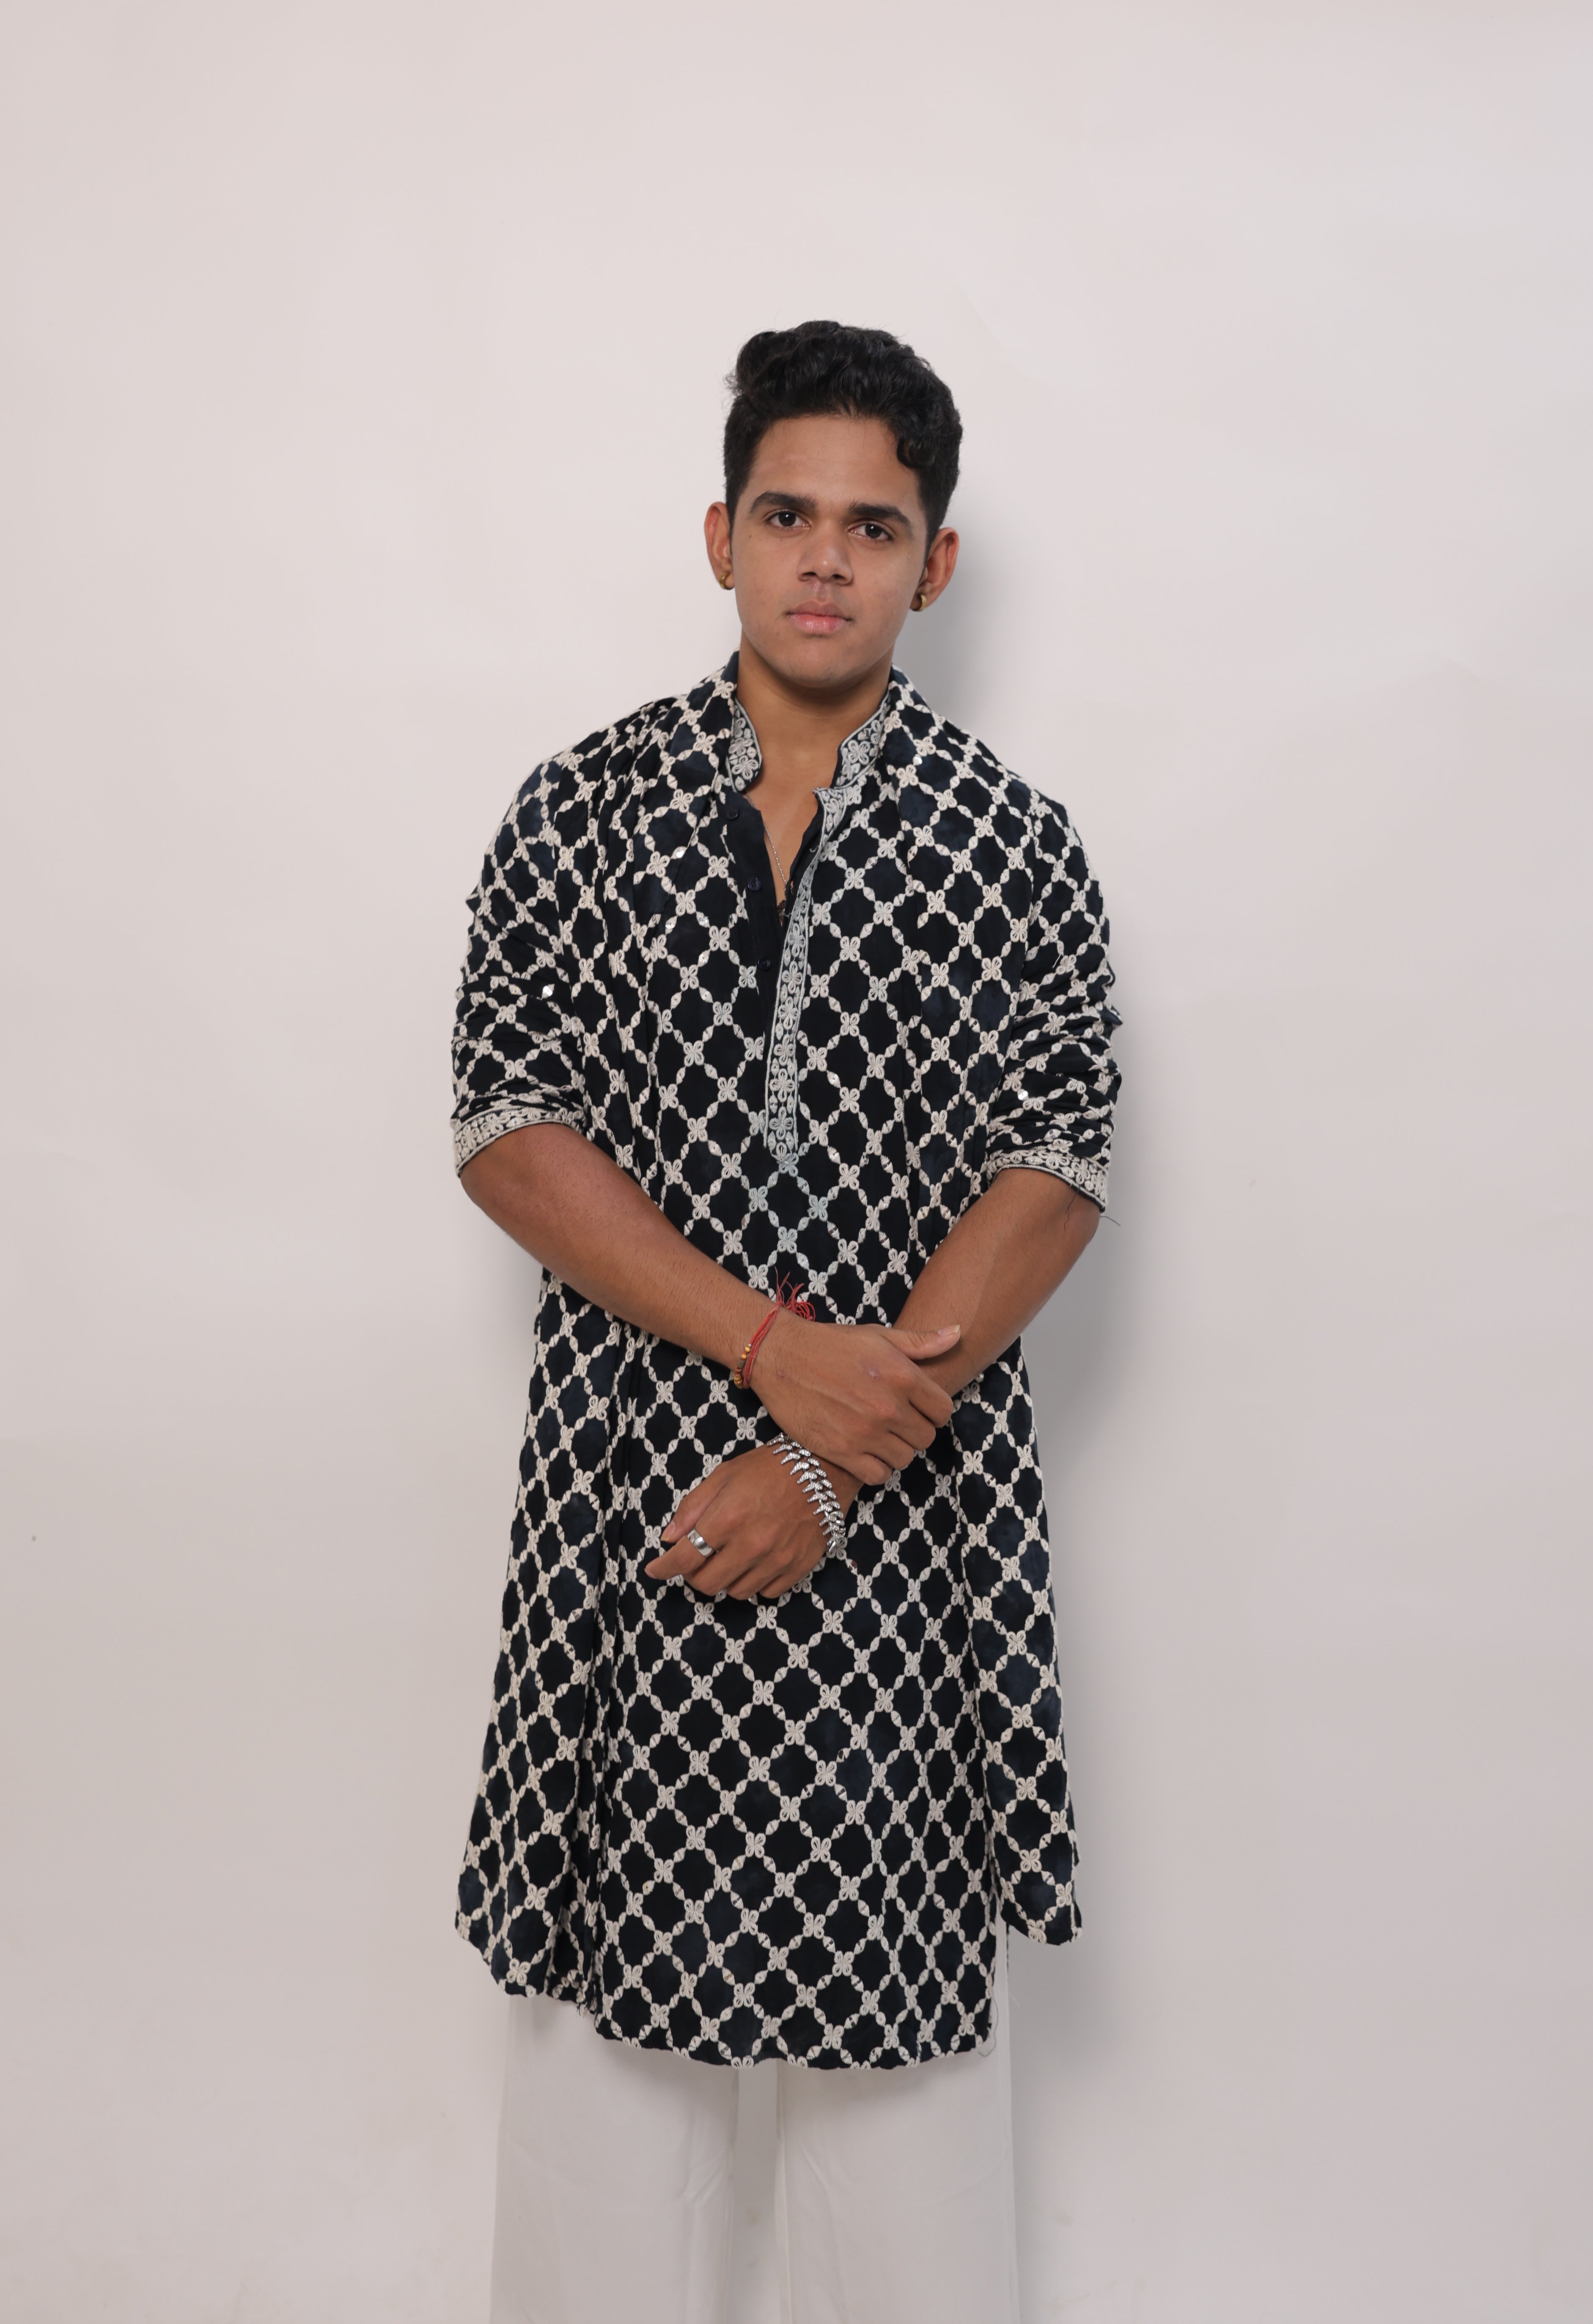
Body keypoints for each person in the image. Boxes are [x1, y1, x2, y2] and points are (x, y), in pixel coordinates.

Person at [452, 319, 1120, 2324]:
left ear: (933, 562)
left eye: (873, 525)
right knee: (602, 2078)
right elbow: (508, 1130)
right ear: (720, 535)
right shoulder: (580, 808)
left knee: (898, 2094)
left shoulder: (1012, 843)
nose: (825, 557)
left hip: (902, 1536)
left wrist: (828, 1458)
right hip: (630, 1507)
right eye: (787, 514)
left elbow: (1054, 1167)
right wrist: (771, 1350)